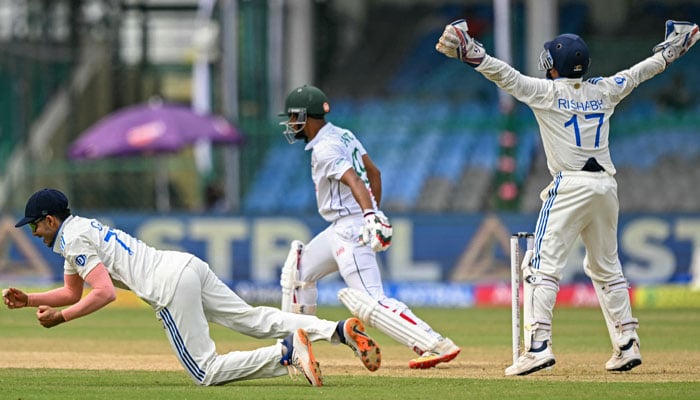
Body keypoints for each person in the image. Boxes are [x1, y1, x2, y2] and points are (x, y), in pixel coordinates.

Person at [436, 19, 698, 376]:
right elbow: (640, 72)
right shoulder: (606, 89)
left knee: (540, 267)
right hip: (606, 186)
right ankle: (627, 342)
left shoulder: (546, 92)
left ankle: (538, 347)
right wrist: (672, 50)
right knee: (606, 268)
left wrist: (470, 50)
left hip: (570, 185)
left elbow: (504, 74)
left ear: (553, 66)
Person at [3, 188, 382, 387]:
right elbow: (71, 291)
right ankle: (335, 330)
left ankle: (286, 354)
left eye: (34, 226)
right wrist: (30, 300)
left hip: (166, 286)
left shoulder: (72, 240)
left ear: (50, 220)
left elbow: (104, 293)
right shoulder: (78, 230)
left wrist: (62, 319)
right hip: (184, 265)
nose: (33, 233)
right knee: (252, 318)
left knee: (205, 372)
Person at [278, 85, 461, 369]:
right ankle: (295, 345)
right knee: (298, 273)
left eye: (294, 117)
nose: (291, 124)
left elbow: (355, 179)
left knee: (370, 300)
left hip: (350, 229)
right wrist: (373, 212)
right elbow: (374, 172)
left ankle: (435, 343)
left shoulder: (325, 148)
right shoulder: (343, 134)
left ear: (307, 116)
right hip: (342, 225)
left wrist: (368, 216)